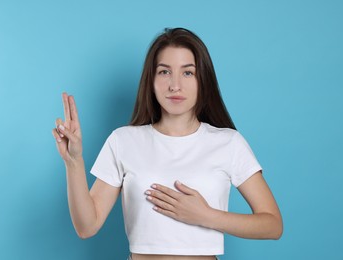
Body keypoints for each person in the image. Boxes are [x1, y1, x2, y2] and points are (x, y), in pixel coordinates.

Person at [52, 28, 282, 260]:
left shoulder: (228, 143)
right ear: (150, 80)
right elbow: (87, 226)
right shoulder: (123, 140)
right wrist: (74, 163)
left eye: (188, 73)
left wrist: (206, 215)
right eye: (164, 72)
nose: (175, 85)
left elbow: (272, 225)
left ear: (204, 78)